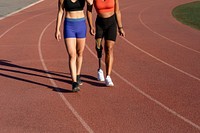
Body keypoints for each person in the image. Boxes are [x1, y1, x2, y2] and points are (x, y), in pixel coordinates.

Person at [55, 0, 93, 92]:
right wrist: (57, 29)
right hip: (69, 26)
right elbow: (60, 12)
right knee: (72, 55)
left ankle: (78, 75)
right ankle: (74, 82)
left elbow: (90, 2)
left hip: (81, 25)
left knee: (80, 53)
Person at [87, 0, 125, 86]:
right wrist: (91, 26)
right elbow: (89, 10)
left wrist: (120, 27)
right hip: (100, 24)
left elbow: (117, 11)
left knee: (109, 48)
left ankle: (108, 76)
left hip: (111, 23)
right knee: (98, 47)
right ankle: (100, 68)